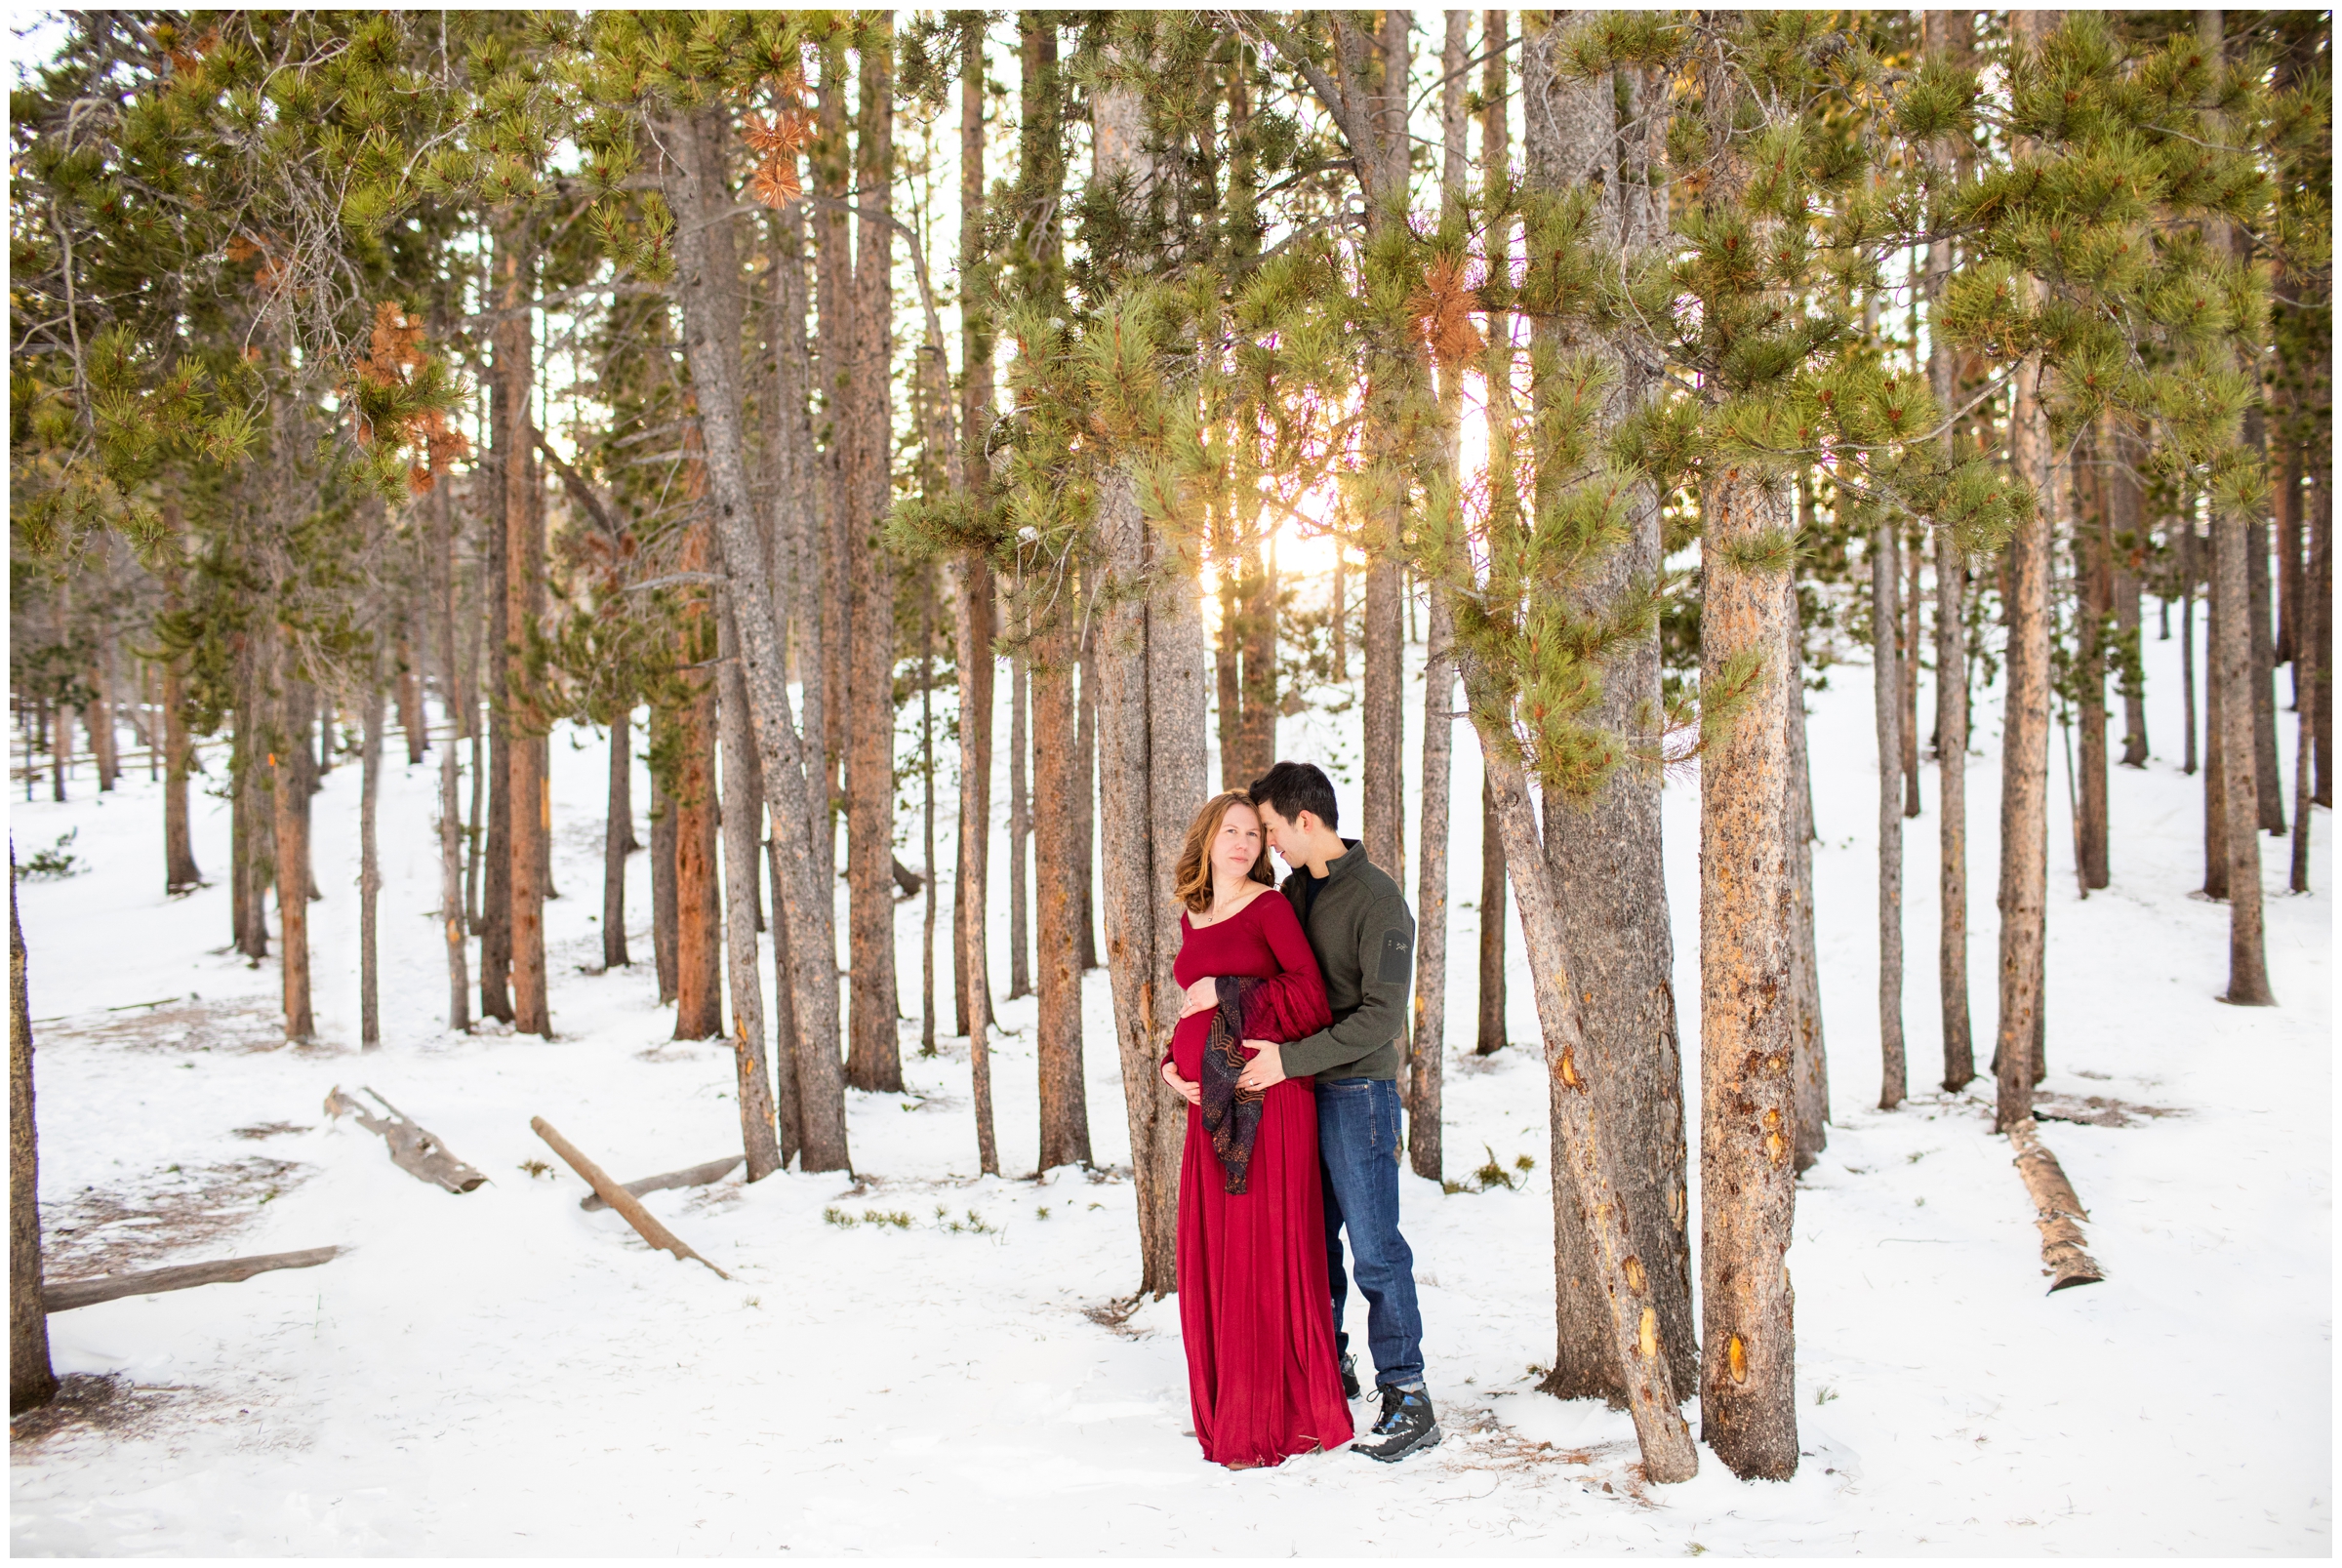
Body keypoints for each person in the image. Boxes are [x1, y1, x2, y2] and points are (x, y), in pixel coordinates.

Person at [1237, 760, 1439, 1463]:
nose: (1270, 845)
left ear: (1305, 820)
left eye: (1271, 830)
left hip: (1358, 1095)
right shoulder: (1294, 891)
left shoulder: (1380, 902)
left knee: (1375, 1250)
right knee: (1311, 1246)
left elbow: (1382, 1019)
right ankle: (1326, 1372)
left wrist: (1289, 1060)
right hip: (1300, 1095)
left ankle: (1409, 1396)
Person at [1155, 791, 1352, 1469]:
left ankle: (1273, 1414)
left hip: (1269, 1101)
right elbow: (1188, 1012)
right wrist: (1169, 1067)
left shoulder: (1270, 909)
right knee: (1218, 1254)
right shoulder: (1192, 914)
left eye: (1251, 833)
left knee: (1264, 1250)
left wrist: (1224, 991)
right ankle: (1226, 1405)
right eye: (1229, 831)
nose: (1241, 843)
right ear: (1207, 839)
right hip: (1207, 1106)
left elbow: (1309, 997)